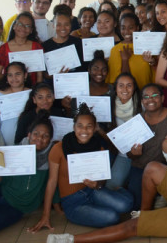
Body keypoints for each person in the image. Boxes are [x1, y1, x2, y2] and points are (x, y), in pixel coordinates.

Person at [30, 103, 133, 231]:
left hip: (92, 191)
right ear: (73, 127)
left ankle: (117, 191)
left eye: (89, 127)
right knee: (112, 217)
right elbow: (52, 182)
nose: (84, 131)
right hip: (73, 202)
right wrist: (45, 215)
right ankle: (104, 203)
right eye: (80, 126)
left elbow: (101, 180)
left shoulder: (98, 147)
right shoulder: (59, 148)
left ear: (95, 128)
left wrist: (97, 185)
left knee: (126, 205)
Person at [106, 73, 141, 190]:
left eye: (129, 85)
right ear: (115, 88)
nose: (125, 89)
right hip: (123, 155)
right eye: (121, 85)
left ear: (134, 87)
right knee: (111, 186)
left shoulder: (143, 104)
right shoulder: (109, 105)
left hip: (143, 154)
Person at [0, 62, 31, 145]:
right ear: (6, 77)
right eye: (10, 75)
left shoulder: (32, 94)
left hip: (28, 141)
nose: (14, 78)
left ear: (25, 75)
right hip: (3, 140)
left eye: (18, 74)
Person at [106, 13, 154, 89]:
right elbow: (117, 81)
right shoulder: (115, 50)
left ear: (137, 28)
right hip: (126, 96)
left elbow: (154, 75)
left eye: (130, 27)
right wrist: (125, 60)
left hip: (146, 95)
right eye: (123, 28)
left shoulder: (146, 47)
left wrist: (152, 62)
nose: (126, 31)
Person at [63, 50, 112, 119]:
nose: (100, 73)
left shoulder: (113, 90)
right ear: (89, 70)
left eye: (104, 70)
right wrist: (67, 107)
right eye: (95, 69)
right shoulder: (79, 91)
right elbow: (73, 117)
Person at [0, 11, 43, 84]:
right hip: (11, 89)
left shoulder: (37, 47)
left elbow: (39, 75)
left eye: (27, 26)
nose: (23, 28)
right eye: (20, 24)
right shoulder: (3, 48)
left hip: (31, 89)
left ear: (31, 30)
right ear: (14, 26)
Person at [41, 6, 84, 75]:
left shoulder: (78, 43)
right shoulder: (45, 46)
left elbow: (83, 68)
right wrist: (56, 75)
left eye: (66, 24)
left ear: (71, 25)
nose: (63, 28)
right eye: (59, 25)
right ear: (53, 26)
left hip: (75, 82)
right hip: (53, 84)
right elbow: (44, 74)